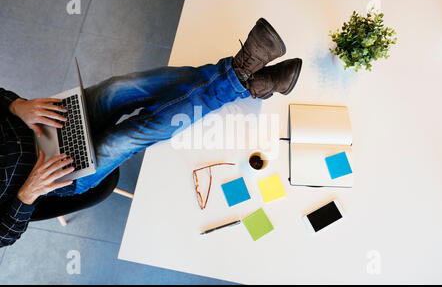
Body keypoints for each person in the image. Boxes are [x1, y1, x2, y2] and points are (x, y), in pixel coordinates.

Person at [0, 18, 302, 247]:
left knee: (121, 88)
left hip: (43, 121)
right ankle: (240, 76)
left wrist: (15, 105)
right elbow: (5, 235)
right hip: (49, 175)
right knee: (128, 137)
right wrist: (27, 193)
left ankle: (245, 82)